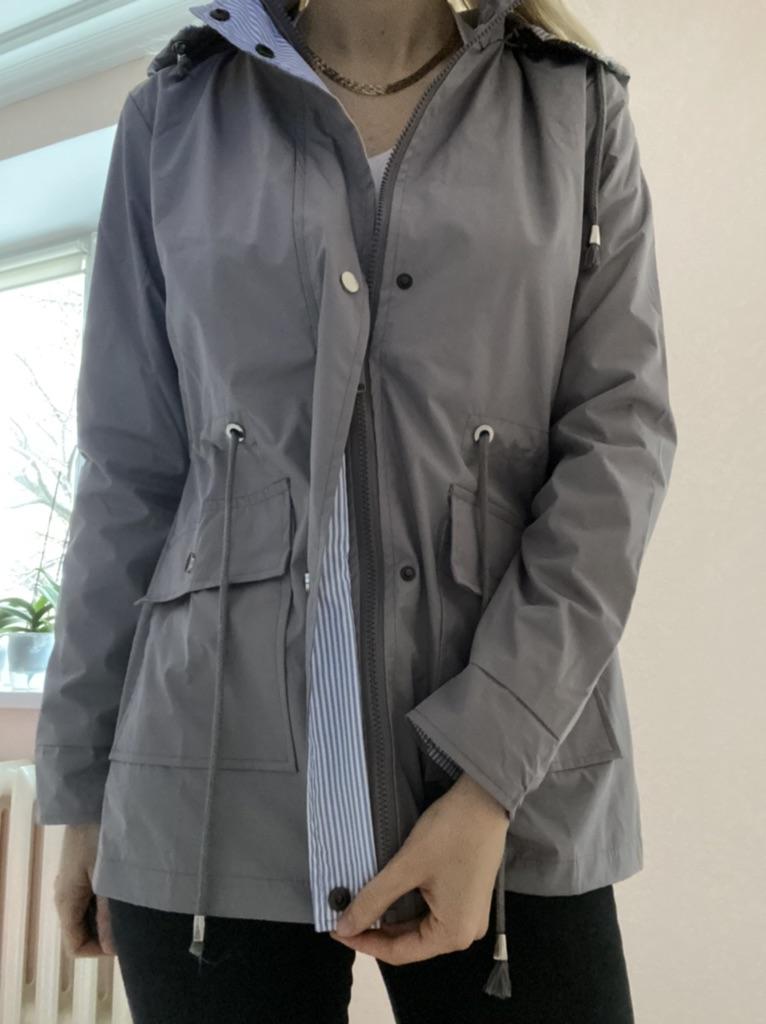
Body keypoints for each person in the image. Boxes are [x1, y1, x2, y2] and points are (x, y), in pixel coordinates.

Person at [34, 0, 677, 1021]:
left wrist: (486, 781)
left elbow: (618, 451)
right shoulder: (173, 113)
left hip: (510, 792)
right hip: (200, 794)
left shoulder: (573, 108)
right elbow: (128, 471)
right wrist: (81, 790)